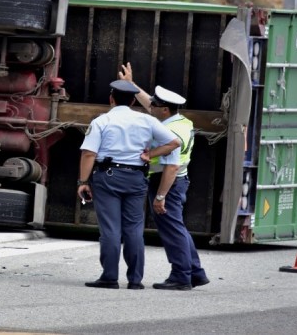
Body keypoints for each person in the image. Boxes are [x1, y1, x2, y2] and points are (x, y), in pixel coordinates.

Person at [77, 79, 180, 290]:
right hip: (136, 178)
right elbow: (174, 143)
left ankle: (110, 277)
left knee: (111, 229)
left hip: (108, 177)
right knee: (134, 229)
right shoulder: (147, 120)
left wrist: (83, 182)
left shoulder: (102, 121)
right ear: (133, 100)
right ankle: (135, 280)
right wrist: (150, 155)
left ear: (111, 99)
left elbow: (89, 153)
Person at [118, 62, 209, 291]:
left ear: (164, 110)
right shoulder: (178, 121)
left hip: (168, 182)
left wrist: (160, 197)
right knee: (177, 226)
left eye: (155, 105)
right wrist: (131, 85)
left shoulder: (170, 132)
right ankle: (195, 272)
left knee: (171, 229)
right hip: (177, 181)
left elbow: (171, 167)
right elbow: (148, 101)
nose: (150, 107)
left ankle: (181, 276)